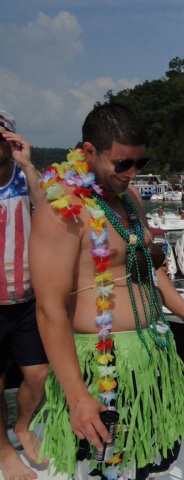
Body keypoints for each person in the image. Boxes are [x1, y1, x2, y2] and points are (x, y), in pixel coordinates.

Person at [29, 104, 184, 479]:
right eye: (122, 163)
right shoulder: (62, 212)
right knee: (105, 469)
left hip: (152, 355)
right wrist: (78, 397)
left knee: (149, 463)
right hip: (101, 366)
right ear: (89, 151)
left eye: (140, 163)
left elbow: (148, 268)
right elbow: (49, 310)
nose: (132, 173)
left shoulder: (131, 201)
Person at [0, 109, 49, 480]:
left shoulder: (26, 178)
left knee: (38, 374)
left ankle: (23, 425)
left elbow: (49, 211)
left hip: (27, 298)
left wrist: (28, 164)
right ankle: (4, 451)